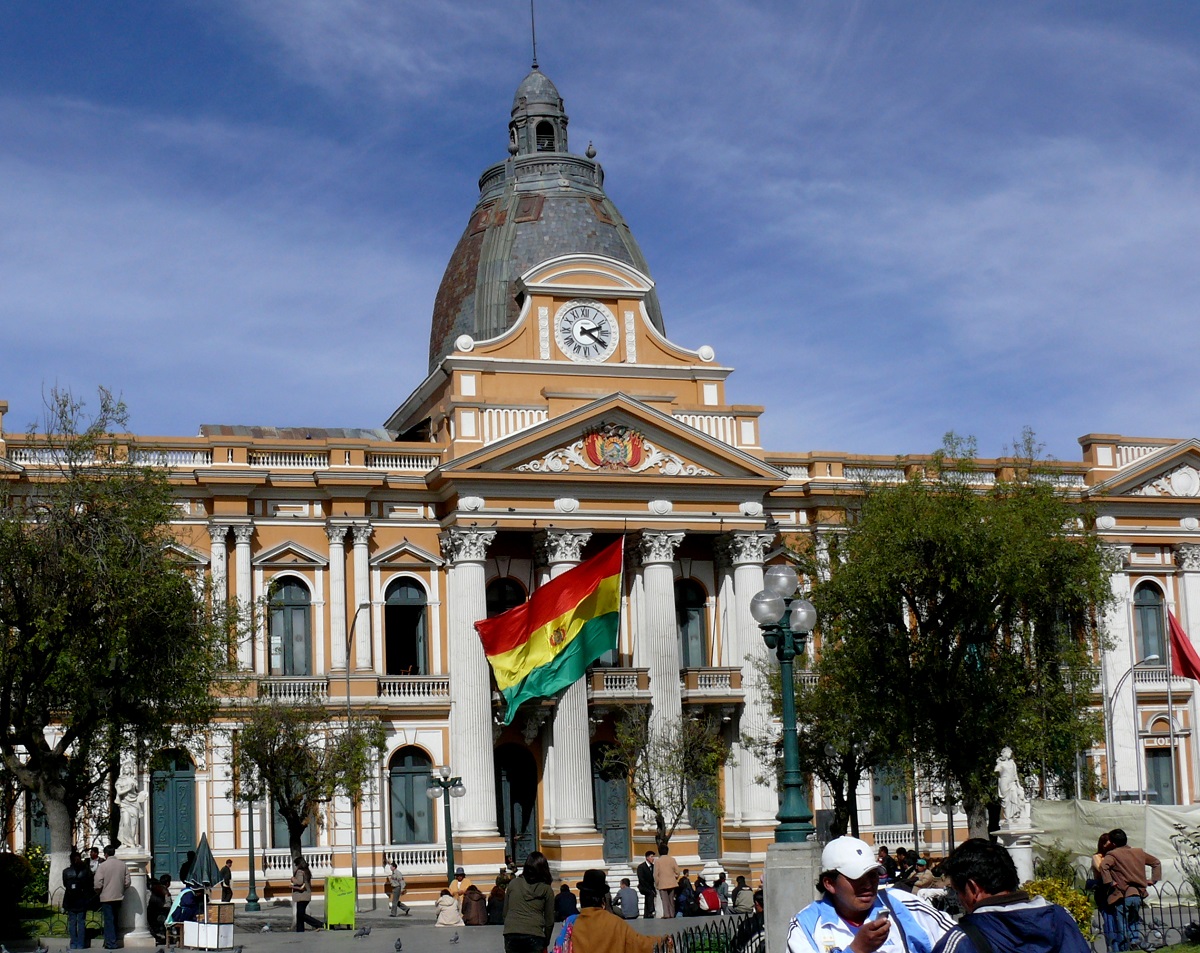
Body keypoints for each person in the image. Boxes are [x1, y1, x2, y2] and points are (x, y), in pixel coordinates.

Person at [787, 835, 954, 953]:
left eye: (872, 875)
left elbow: (960, 940)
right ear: (829, 884)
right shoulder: (805, 925)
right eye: (856, 877)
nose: (867, 885)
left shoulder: (904, 904)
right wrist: (857, 949)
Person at [931, 838, 1089, 953]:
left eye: (958, 892)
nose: (959, 899)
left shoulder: (962, 941)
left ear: (973, 888)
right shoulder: (1060, 919)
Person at [561, 869, 659, 953]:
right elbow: (639, 943)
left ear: (582, 900)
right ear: (602, 901)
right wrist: (662, 940)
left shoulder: (571, 923)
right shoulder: (616, 923)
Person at [1100, 827, 1162, 952]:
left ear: (1113, 843)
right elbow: (1156, 862)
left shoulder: (1113, 855)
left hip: (1122, 894)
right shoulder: (1138, 852)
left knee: (1122, 924)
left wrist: (1109, 882)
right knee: (1134, 921)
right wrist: (1153, 880)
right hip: (1138, 894)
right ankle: (1134, 942)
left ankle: (1126, 947)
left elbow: (1103, 866)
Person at [502, 850, 555, 953]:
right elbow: (549, 921)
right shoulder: (546, 890)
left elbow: (505, 913)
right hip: (535, 935)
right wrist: (546, 940)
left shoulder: (513, 884)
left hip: (511, 934)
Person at [93, 844, 131, 950]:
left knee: (109, 920)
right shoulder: (122, 865)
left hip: (106, 897)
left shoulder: (103, 866)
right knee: (115, 919)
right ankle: (114, 939)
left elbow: (97, 883)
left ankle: (110, 942)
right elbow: (127, 882)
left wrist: (98, 891)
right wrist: (121, 889)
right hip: (118, 896)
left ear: (105, 854)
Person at [63, 849, 95, 950]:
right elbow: (90, 884)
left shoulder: (66, 872)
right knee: (81, 921)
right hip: (82, 899)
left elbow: (65, 884)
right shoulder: (85, 872)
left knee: (72, 921)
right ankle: (81, 944)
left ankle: (73, 943)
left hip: (70, 899)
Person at [1091, 831, 1117, 949]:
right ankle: (1112, 945)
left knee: (1117, 918)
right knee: (1108, 918)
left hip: (1115, 889)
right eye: (1109, 844)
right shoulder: (1098, 857)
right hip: (1103, 890)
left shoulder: (1114, 856)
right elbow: (1102, 869)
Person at [290, 856, 323, 932]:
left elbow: (299, 882)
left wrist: (293, 879)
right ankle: (300, 930)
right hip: (306, 894)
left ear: (298, 864)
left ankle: (318, 924)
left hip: (301, 895)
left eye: (296, 864)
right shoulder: (306, 871)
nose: (295, 866)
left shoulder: (299, 872)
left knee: (301, 914)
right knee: (299, 914)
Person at [653, 845, 682, 918]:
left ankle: (667, 914)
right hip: (672, 882)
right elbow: (678, 871)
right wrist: (675, 878)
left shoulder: (657, 861)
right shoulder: (672, 859)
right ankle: (672, 914)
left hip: (662, 883)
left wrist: (657, 883)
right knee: (671, 900)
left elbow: (655, 874)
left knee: (665, 900)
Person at [147, 874, 172, 944]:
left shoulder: (154, 890)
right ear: (168, 883)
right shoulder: (164, 892)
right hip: (158, 914)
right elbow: (168, 905)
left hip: (151, 912)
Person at [636, 850, 656, 919]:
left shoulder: (653, 867)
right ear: (647, 858)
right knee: (650, 894)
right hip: (643, 886)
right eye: (651, 857)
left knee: (649, 896)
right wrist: (649, 888)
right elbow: (641, 879)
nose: (653, 858)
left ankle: (647, 913)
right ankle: (651, 910)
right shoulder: (641, 867)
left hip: (651, 887)